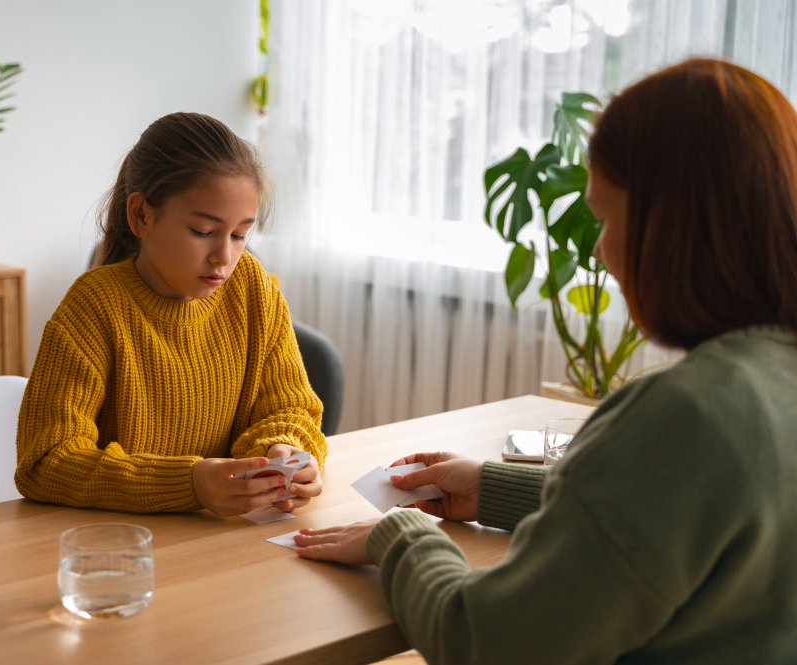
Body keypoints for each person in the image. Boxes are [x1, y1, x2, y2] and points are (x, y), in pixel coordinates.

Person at [294, 58, 797, 663]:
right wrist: (495, 486)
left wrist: (396, 535)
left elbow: (484, 641)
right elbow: (677, 513)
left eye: (608, 217)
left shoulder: (690, 412)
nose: (604, 253)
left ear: (674, 227)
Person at [15, 112, 327, 516]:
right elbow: (45, 461)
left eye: (239, 235)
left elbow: (292, 408)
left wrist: (283, 448)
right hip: (120, 551)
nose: (225, 257)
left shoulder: (253, 288)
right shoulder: (92, 307)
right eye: (202, 231)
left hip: (222, 546)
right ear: (141, 216)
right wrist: (189, 483)